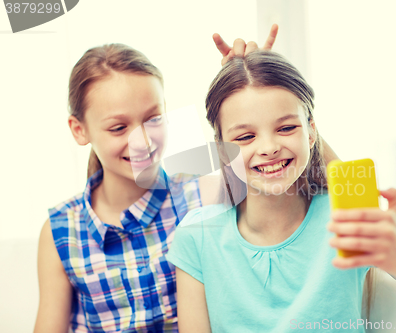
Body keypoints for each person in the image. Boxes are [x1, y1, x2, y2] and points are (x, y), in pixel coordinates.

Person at [166, 50, 396, 333]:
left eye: (286, 128)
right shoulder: (199, 235)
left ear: (311, 132)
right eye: (245, 136)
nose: (268, 148)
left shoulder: (346, 215)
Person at [33, 27, 285, 333]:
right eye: (118, 128)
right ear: (79, 130)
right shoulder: (61, 230)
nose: (142, 141)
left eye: (153, 119)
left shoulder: (202, 194)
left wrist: (271, 92)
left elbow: (313, 184)